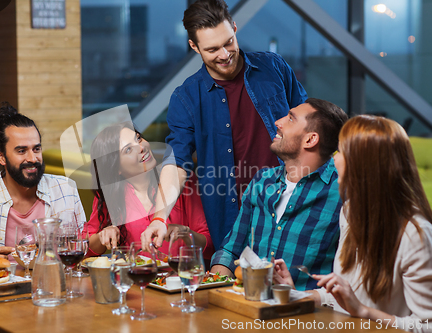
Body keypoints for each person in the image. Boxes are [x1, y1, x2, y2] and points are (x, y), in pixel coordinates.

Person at [141, 0, 308, 252]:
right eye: (212, 49)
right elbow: (177, 163)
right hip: (231, 218)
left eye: (228, 42)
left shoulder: (274, 68)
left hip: (290, 204)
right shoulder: (186, 97)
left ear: (235, 27)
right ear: (194, 47)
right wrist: (159, 216)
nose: (224, 54)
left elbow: (309, 123)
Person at [275, 116, 432, 331]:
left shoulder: (415, 235)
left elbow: (427, 325)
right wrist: (296, 296)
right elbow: (349, 295)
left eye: (341, 152)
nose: (334, 160)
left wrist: (364, 312)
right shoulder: (350, 212)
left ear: (363, 166)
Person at [210, 98, 348, 291]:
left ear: (310, 139)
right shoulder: (262, 181)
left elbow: (351, 276)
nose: (278, 122)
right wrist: (214, 287)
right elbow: (230, 250)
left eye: (290, 119)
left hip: (307, 314)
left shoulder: (344, 192)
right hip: (250, 307)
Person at [0, 102, 86, 272]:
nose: (32, 158)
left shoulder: (66, 189)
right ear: (1, 157)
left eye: (36, 149)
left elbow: (83, 244)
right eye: (21, 151)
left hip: (55, 289)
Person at [85, 122, 214, 260]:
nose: (141, 148)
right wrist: (102, 236)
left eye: (138, 139)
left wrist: (186, 233)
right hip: (135, 278)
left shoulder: (180, 182)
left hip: (181, 278)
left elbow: (210, 247)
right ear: (116, 168)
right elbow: (85, 249)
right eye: (128, 150)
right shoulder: (110, 196)